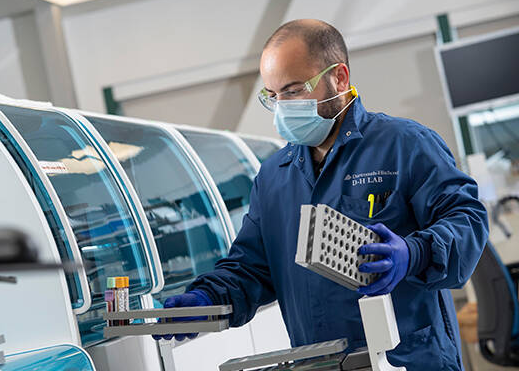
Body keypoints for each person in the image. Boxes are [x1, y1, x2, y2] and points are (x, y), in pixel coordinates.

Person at [154, 19, 488, 370]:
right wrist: (206, 299)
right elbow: (252, 267)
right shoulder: (274, 176)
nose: (283, 105)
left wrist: (414, 253)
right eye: (274, 95)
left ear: (339, 77)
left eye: (295, 90)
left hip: (409, 359)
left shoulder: (404, 145)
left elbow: (468, 219)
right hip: (321, 363)